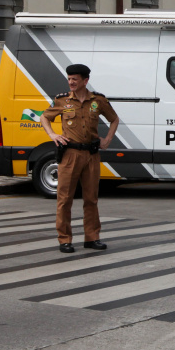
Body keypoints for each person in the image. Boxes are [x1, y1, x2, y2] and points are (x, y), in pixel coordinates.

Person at [40, 64, 119, 253]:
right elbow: (44, 117)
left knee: (91, 199)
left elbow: (114, 119)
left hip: (91, 155)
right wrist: (52, 135)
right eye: (69, 79)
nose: (71, 82)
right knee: (64, 199)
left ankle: (92, 238)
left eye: (74, 79)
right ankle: (65, 240)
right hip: (70, 155)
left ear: (85, 80)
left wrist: (107, 139)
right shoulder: (62, 100)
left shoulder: (98, 100)